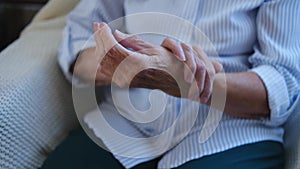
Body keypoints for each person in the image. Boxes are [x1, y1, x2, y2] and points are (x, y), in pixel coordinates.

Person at [42, 0, 300, 169]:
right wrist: (114, 64)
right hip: (126, 125)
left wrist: (187, 82)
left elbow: (284, 83)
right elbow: (78, 41)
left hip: (230, 133)